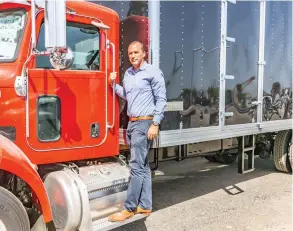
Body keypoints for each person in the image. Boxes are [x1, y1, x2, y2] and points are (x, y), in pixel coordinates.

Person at [108, 41, 167, 222]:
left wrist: (155, 124)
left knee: (135, 165)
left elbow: (161, 99)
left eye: (136, 52)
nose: (133, 56)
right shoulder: (128, 73)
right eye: (130, 53)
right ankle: (145, 206)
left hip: (145, 123)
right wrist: (112, 85)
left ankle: (129, 208)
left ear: (144, 53)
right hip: (133, 123)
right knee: (142, 166)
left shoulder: (153, 72)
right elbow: (127, 95)